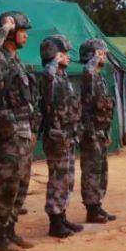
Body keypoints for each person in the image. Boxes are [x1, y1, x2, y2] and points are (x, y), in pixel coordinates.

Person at [0, 12, 38, 251]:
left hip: (23, 131)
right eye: (22, 30)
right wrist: (4, 28)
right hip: (6, 133)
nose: (26, 35)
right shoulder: (0, 59)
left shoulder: (16, 62)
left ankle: (10, 229)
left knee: (20, 184)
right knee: (5, 185)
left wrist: (32, 128)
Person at [40, 35, 83, 238]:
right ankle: (55, 222)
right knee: (58, 179)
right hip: (56, 137)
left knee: (67, 179)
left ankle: (63, 216)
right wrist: (53, 62)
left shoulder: (63, 78)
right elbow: (47, 78)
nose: (67, 57)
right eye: (62, 53)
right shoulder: (49, 77)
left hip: (68, 135)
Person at [79, 39, 117, 223]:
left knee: (102, 170)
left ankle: (97, 205)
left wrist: (107, 131)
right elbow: (87, 71)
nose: (104, 56)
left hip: (101, 131)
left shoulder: (99, 77)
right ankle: (91, 208)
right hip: (90, 132)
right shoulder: (89, 74)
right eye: (100, 52)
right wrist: (94, 60)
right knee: (91, 171)